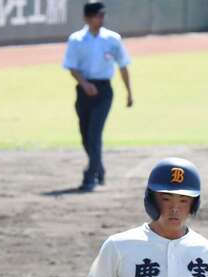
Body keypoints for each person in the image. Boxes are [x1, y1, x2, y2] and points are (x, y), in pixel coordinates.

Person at [63, 2, 133, 192]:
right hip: (84, 91)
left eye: (103, 15)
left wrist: (129, 92)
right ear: (87, 18)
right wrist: (85, 84)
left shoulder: (112, 39)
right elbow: (71, 66)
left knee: (94, 134)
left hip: (103, 91)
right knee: (85, 136)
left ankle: (90, 176)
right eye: (97, 16)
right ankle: (99, 167)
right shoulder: (76, 40)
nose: (101, 19)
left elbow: (123, 65)